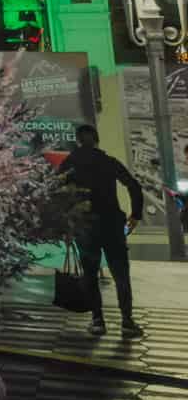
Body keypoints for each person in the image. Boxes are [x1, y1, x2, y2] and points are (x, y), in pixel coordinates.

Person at [58, 124, 145, 339]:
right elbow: (134, 186)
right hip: (112, 224)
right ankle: (127, 321)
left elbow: (56, 193)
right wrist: (136, 215)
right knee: (121, 274)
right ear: (96, 140)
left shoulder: (70, 164)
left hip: (85, 225)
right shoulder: (108, 161)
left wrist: (67, 223)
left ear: (77, 141)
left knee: (90, 274)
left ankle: (97, 321)